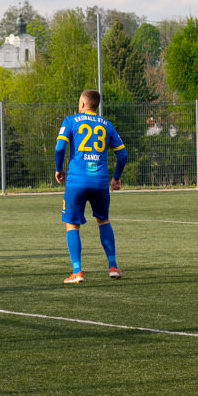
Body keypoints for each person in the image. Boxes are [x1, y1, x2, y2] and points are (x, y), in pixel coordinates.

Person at [54, 89, 128, 283]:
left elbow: (60, 147)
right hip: (100, 181)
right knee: (103, 221)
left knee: (72, 224)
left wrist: (58, 168)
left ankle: (77, 271)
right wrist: (116, 177)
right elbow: (122, 154)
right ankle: (113, 266)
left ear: (83, 104)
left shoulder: (70, 121)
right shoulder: (107, 125)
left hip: (76, 181)